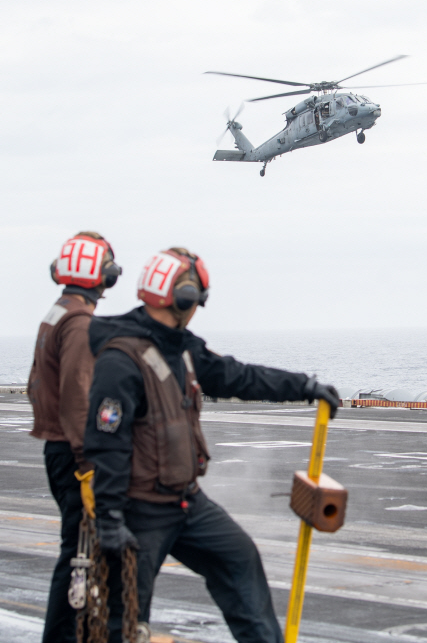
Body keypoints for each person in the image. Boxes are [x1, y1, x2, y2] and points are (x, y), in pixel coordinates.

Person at [84, 246, 340, 643]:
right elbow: (106, 444)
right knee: (125, 617)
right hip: (139, 512)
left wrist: (304, 386)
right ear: (185, 297)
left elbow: (237, 376)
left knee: (240, 560)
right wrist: (110, 519)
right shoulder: (121, 360)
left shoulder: (180, 348)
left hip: (186, 503)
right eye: (197, 299)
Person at [27, 231, 123, 643]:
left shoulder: (57, 312)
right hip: (73, 455)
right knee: (79, 559)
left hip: (57, 448)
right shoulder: (80, 323)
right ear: (102, 276)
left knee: (76, 555)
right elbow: (77, 399)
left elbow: (36, 386)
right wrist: (89, 463)